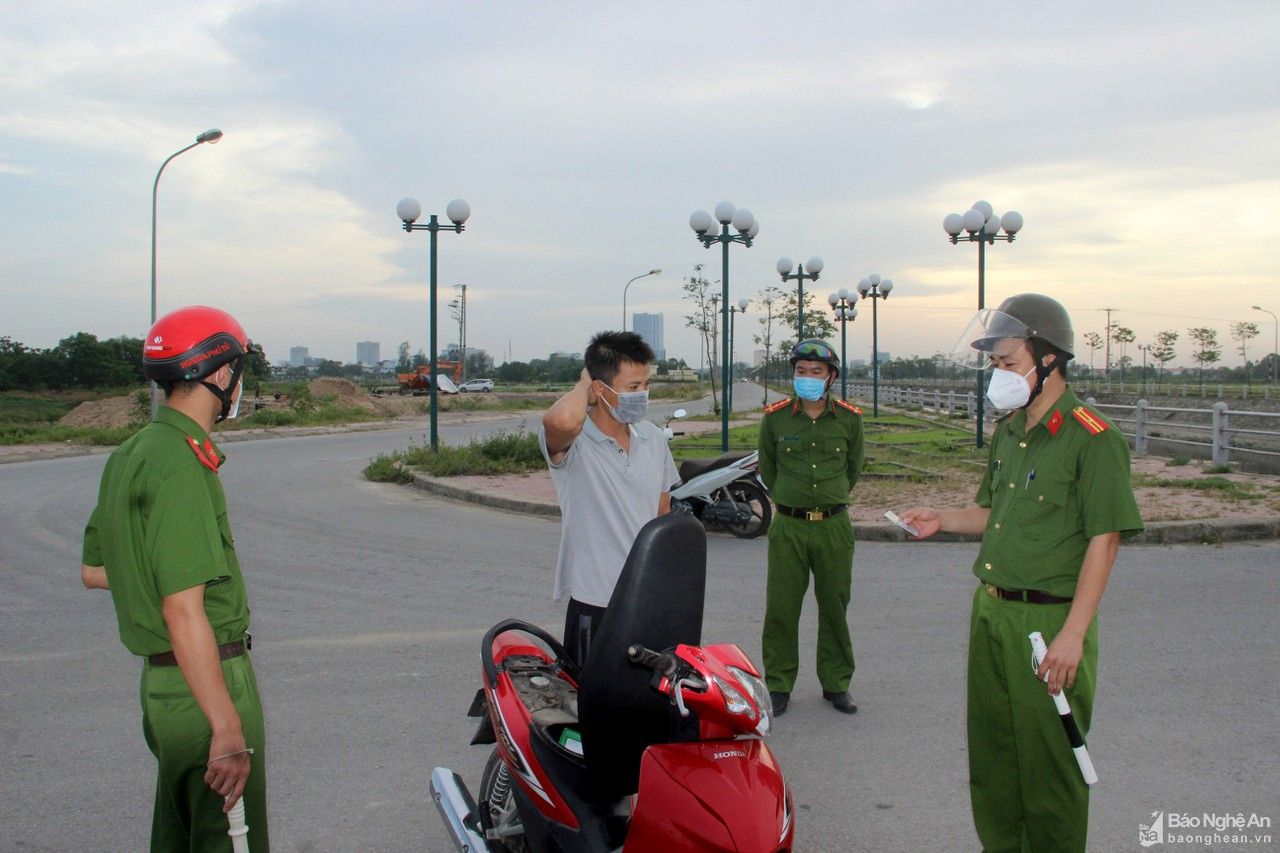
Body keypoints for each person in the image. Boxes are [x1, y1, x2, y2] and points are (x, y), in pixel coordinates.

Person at [899, 293, 1143, 852]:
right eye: (995, 365)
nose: (998, 376)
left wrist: (1073, 636)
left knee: (1050, 772)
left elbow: (1104, 543)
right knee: (996, 761)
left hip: (1047, 625)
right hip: (992, 612)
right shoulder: (1010, 433)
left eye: (1009, 364)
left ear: (1049, 360)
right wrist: (943, 518)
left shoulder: (1093, 438)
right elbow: (994, 514)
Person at [81, 305, 270, 851]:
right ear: (217, 373)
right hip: (206, 684)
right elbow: (183, 609)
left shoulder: (130, 454)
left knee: (178, 835)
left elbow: (94, 569)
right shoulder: (182, 464)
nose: (239, 384)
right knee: (229, 841)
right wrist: (227, 728)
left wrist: (157, 580)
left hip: (161, 692)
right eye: (238, 370)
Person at [539, 331, 679, 667]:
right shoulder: (576, 442)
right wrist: (583, 385)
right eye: (633, 388)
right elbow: (559, 420)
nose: (642, 395)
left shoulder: (653, 438)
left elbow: (662, 512)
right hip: (596, 602)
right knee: (594, 710)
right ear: (600, 389)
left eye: (647, 385)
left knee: (649, 708)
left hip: (648, 598)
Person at [757, 339, 865, 716]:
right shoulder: (776, 418)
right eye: (800, 371)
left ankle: (836, 684)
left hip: (834, 526)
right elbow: (768, 471)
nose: (806, 378)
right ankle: (779, 685)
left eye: (815, 372)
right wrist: (792, 498)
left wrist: (827, 500)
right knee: (782, 609)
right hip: (788, 525)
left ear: (831, 376)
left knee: (834, 606)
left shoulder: (850, 419)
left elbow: (853, 469)